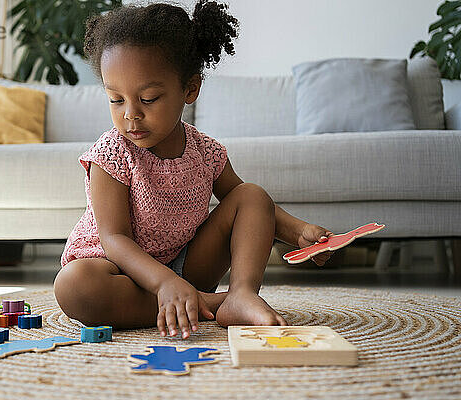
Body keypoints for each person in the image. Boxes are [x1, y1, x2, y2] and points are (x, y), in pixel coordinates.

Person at [55, 0, 333, 339]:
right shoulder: (112, 154)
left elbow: (251, 207)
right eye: (116, 100)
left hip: (188, 266)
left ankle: (242, 293)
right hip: (119, 270)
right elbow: (115, 240)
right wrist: (164, 282)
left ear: (190, 89)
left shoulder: (206, 151)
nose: (130, 114)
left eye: (149, 98)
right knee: (74, 286)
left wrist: (299, 232)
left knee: (251, 194)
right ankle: (213, 304)